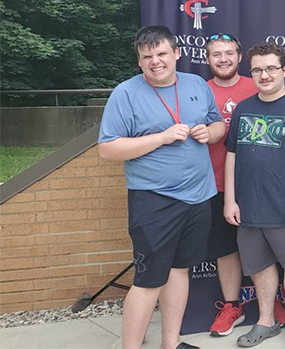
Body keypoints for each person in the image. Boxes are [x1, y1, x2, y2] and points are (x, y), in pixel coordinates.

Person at [98, 25, 225, 349]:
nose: (156, 61)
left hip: (198, 197)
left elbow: (217, 123)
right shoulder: (125, 94)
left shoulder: (197, 84)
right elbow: (107, 149)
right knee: (148, 280)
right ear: (139, 62)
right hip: (154, 201)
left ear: (177, 53)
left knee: (180, 270)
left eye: (162, 53)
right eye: (147, 56)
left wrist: (209, 134)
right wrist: (162, 137)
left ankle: (171, 343)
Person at [224, 42, 285, 349]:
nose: (264, 75)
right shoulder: (244, 108)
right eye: (257, 69)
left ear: (284, 70)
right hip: (249, 208)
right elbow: (231, 155)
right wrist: (230, 199)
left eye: (270, 68)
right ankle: (266, 321)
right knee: (259, 267)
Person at [204, 33, 259, 336]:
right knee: (226, 248)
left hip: (257, 184)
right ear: (207, 59)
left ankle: (270, 301)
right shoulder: (198, 92)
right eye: (216, 54)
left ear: (240, 57)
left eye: (229, 53)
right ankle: (231, 305)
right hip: (214, 183)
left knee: (265, 244)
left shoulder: (258, 85)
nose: (223, 58)